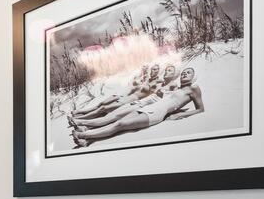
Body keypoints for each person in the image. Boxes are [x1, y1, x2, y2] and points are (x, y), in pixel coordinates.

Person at [71, 67, 204, 147]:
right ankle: (87, 138)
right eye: (184, 72)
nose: (185, 74)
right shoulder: (176, 87)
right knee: (118, 121)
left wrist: (180, 114)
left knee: (120, 124)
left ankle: (83, 134)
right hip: (148, 107)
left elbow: (200, 109)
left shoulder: (193, 88)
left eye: (189, 73)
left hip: (157, 113)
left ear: (194, 77)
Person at [70, 63, 179, 127]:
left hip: (133, 100)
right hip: (126, 97)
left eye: (156, 69)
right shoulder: (147, 78)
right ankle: (79, 113)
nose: (153, 70)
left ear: (159, 71)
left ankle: (81, 119)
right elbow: (135, 84)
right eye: (153, 69)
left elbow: (167, 93)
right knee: (102, 104)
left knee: (104, 108)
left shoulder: (159, 81)